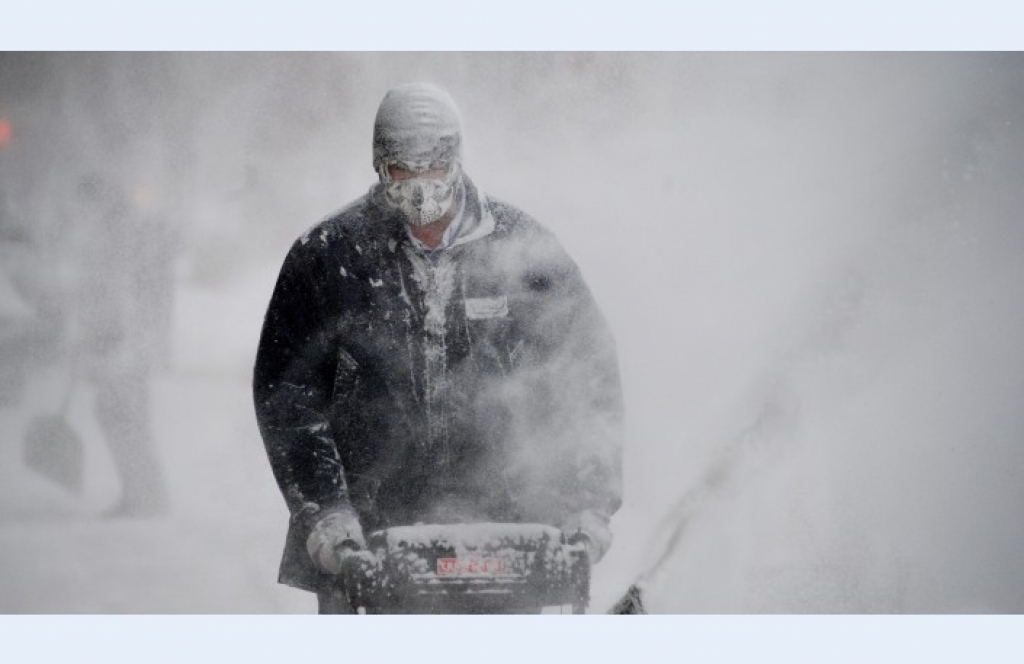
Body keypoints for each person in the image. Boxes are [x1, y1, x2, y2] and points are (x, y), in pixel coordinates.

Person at [253, 83, 624, 613]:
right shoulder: (330, 258)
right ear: (379, 165)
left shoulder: (523, 251)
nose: (420, 186)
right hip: (368, 547)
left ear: (457, 157)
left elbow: (584, 375)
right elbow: (289, 396)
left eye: (434, 166)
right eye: (401, 169)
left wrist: (586, 502)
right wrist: (327, 512)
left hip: (503, 538)